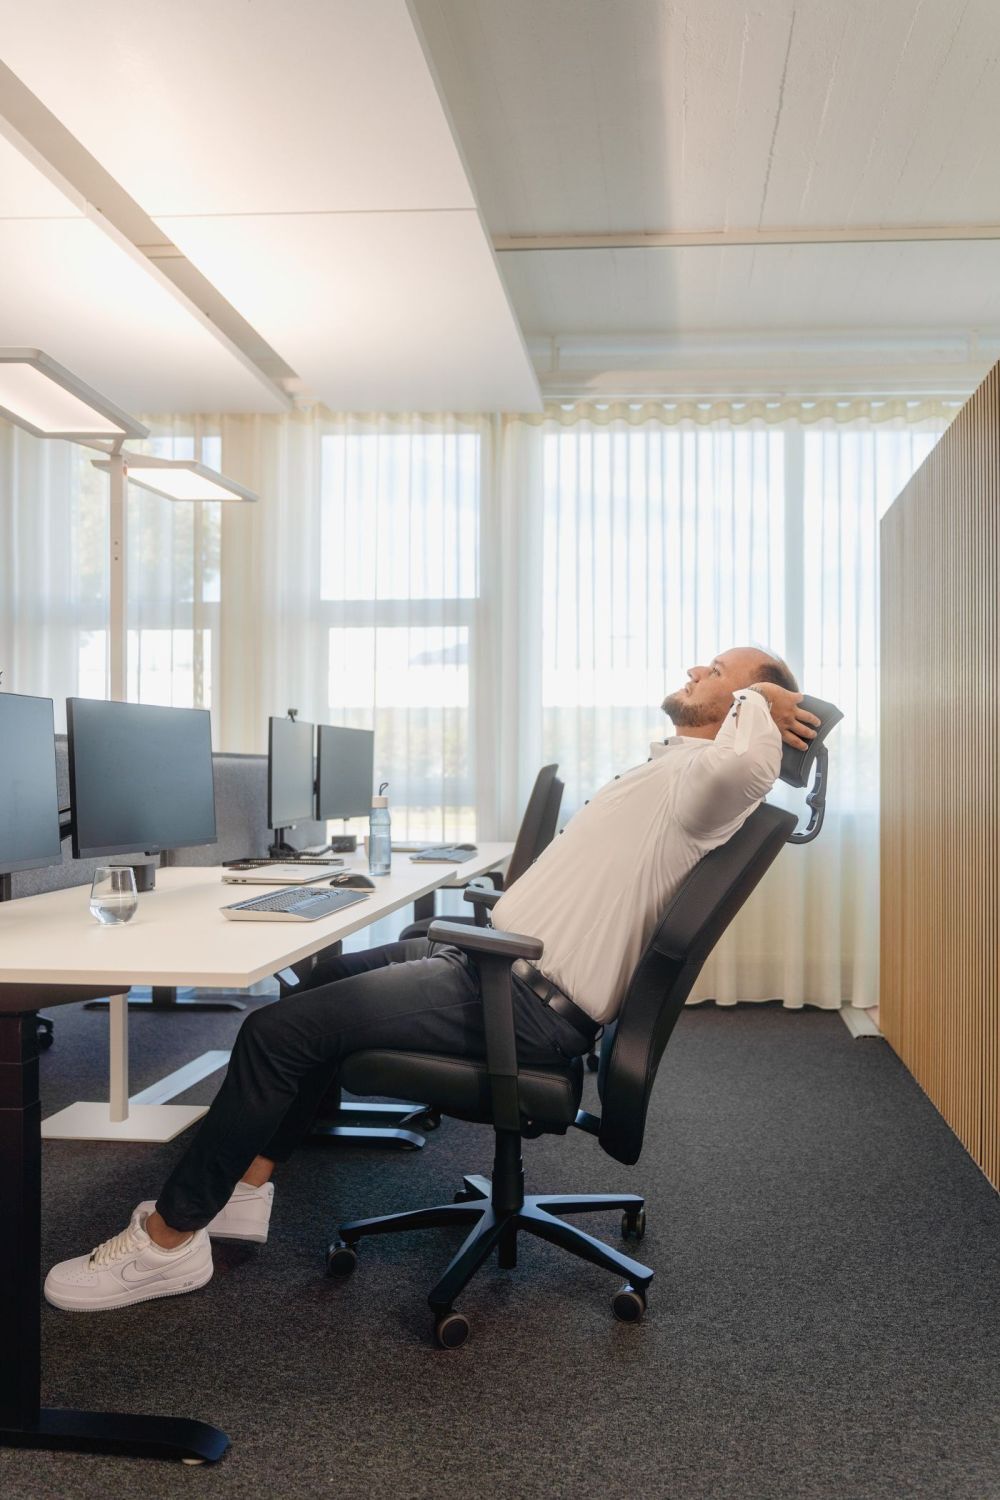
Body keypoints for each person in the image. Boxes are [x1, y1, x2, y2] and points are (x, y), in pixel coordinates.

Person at [45, 646, 819, 1312]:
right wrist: (752, 692)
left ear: (749, 709)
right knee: (314, 990)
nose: (694, 669)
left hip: (521, 1000)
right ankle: (245, 1187)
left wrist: (770, 695)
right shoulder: (677, 769)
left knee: (273, 1034)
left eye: (717, 670)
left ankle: (168, 1241)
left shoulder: (710, 787)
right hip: (497, 963)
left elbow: (757, 761)